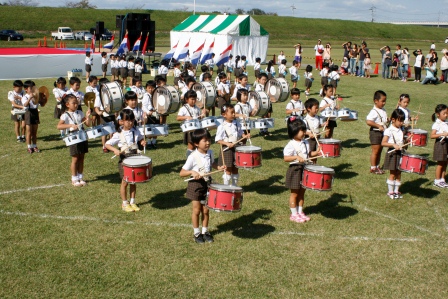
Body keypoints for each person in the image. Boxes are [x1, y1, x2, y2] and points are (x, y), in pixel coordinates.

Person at [180, 129, 226, 243]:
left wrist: (219, 167)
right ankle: (196, 233)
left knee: (206, 210)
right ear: (196, 143)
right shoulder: (193, 156)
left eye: (209, 140)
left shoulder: (210, 152)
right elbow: (182, 172)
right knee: (196, 210)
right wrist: (192, 172)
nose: (208, 143)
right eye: (204, 140)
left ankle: (205, 231)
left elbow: (212, 163)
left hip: (208, 184)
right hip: (195, 185)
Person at [105, 109, 146, 212]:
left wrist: (142, 142)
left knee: (133, 181)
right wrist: (115, 150)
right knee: (125, 182)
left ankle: (132, 202)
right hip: (124, 160)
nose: (130, 123)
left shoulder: (135, 130)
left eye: (132, 120)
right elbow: (107, 144)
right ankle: (124, 203)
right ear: (121, 121)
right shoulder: (118, 134)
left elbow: (140, 138)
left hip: (135, 158)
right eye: (127, 121)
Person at [284, 117, 321, 223]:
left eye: (304, 130)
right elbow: (286, 158)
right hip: (295, 170)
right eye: (302, 131)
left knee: (302, 192)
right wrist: (296, 157)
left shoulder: (305, 142)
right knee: (294, 193)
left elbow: (308, 155)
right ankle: (294, 214)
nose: (304, 133)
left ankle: (300, 212)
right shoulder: (290, 144)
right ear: (294, 131)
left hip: (304, 169)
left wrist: (316, 152)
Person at [57, 94, 92, 187]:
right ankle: (74, 178)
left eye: (77, 103)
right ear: (67, 104)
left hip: (82, 136)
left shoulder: (80, 112)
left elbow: (88, 124)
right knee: (75, 158)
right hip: (73, 138)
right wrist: (70, 125)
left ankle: (80, 177)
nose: (76, 105)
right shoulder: (65, 115)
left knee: (82, 157)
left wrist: (88, 116)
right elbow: (59, 126)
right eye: (74, 103)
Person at [215, 104, 250, 186]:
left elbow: (241, 134)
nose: (234, 114)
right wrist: (227, 143)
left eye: (234, 112)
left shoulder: (237, 123)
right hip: (227, 149)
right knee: (228, 169)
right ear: (224, 115)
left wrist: (245, 136)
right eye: (232, 113)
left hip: (236, 147)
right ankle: (226, 186)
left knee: (236, 168)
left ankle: (234, 186)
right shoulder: (222, 126)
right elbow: (217, 140)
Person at [381, 109, 406, 199]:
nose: (401, 123)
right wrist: (393, 145)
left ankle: (396, 191)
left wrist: (406, 140)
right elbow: (383, 143)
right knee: (392, 173)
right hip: (392, 154)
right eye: (400, 120)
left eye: (402, 121)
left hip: (400, 153)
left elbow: (401, 142)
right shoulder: (389, 130)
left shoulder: (400, 130)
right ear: (393, 119)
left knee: (399, 172)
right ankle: (390, 192)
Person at [177, 90, 206, 157]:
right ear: (187, 99)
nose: (194, 101)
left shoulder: (197, 108)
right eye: (192, 99)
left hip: (197, 129)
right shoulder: (184, 108)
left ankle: (196, 159)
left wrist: (202, 115)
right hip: (190, 130)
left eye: (195, 99)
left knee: (197, 145)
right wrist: (186, 117)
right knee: (191, 147)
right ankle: (189, 159)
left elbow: (198, 118)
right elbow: (178, 118)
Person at [366, 90, 388, 175]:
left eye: (385, 101)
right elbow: (368, 121)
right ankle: (373, 167)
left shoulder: (383, 110)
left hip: (382, 133)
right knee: (375, 151)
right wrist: (378, 126)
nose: (384, 103)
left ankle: (377, 166)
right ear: (376, 101)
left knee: (380, 150)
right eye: (382, 101)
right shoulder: (373, 111)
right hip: (375, 133)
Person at [430, 104, 448, 188]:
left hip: (446, 144)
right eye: (444, 113)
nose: (446, 115)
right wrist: (442, 134)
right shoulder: (437, 124)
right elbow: (432, 135)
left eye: (447, 113)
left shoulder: (446, 123)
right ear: (438, 114)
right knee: (440, 163)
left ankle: (442, 179)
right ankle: (437, 180)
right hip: (440, 145)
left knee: (445, 163)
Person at [21, 80, 40, 153]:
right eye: (31, 88)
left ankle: (34, 145)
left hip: (35, 112)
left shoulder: (36, 96)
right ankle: (29, 146)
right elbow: (25, 105)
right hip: (28, 113)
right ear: (26, 89)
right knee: (29, 131)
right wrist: (29, 98)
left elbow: (41, 104)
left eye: (34, 88)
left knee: (34, 132)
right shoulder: (25, 97)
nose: (33, 90)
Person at [141, 80, 158, 148]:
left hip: (155, 113)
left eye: (152, 88)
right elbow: (143, 106)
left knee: (156, 128)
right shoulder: (146, 96)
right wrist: (148, 112)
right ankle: (149, 142)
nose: (151, 89)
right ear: (146, 88)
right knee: (149, 129)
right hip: (149, 114)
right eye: (149, 88)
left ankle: (153, 142)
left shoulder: (155, 95)